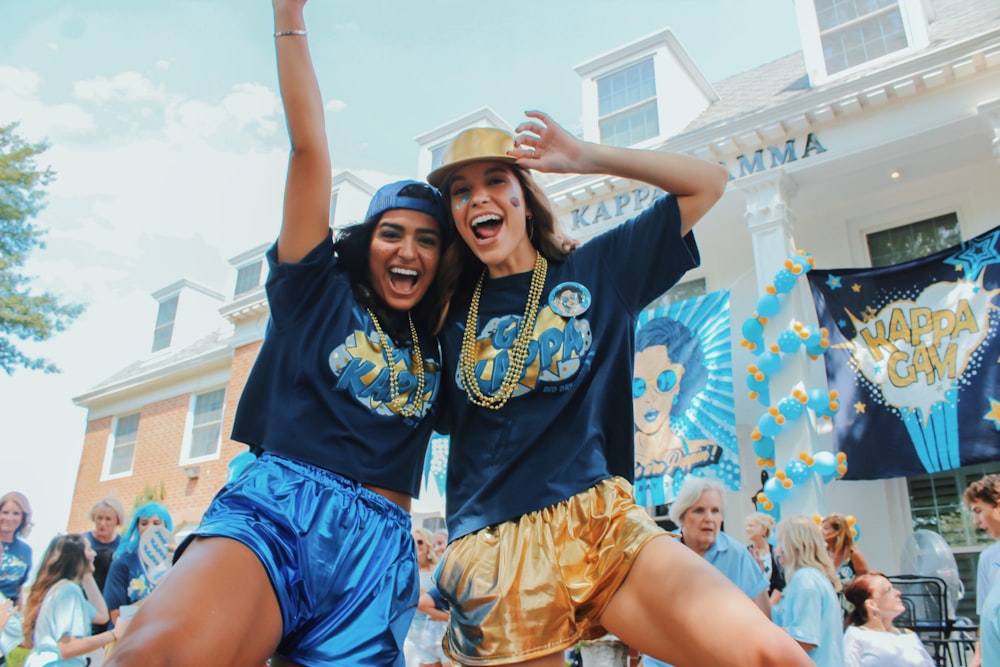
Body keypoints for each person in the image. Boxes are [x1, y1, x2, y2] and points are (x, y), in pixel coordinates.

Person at [105, 2, 448, 665]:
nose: (408, 249)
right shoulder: (315, 290)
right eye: (392, 232)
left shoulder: (442, 343)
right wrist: (289, 18)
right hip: (282, 512)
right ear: (366, 243)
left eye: (427, 239)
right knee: (159, 653)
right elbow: (309, 148)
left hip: (377, 555)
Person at [428, 117, 810, 666]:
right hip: (494, 550)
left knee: (773, 657)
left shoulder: (597, 268)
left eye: (495, 181)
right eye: (460, 192)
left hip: (597, 523)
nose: (478, 198)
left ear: (524, 198)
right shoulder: (444, 314)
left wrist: (583, 156)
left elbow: (707, 182)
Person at [643, 477, 770, 667]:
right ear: (682, 515)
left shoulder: (737, 555)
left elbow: (764, 618)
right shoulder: (662, 553)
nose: (709, 518)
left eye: (715, 511)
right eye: (699, 510)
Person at [633, 317, 719, 506]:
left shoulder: (706, 451)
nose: (650, 397)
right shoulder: (611, 469)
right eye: (638, 386)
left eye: (664, 381)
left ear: (679, 384)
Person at [22, 534, 127, 667]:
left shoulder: (62, 589)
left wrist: (86, 573)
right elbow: (67, 647)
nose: (94, 554)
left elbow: (101, 616)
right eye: (89, 550)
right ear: (77, 557)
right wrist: (114, 634)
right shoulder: (69, 592)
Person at [773, 516, 844, 667]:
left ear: (791, 545)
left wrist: (762, 631)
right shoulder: (812, 578)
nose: (777, 550)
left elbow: (806, 638)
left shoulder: (805, 579)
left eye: (780, 542)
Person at [102, 503, 174, 625]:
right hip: (131, 638)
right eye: (144, 523)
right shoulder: (122, 564)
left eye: (156, 523)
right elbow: (116, 617)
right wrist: (155, 596)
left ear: (166, 528)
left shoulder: (178, 562)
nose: (150, 528)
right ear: (137, 527)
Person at [842, 572, 934, 667]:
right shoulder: (857, 636)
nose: (898, 593)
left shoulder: (909, 635)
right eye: (888, 590)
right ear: (871, 604)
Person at [963, 473, 1000, 667]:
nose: (976, 521)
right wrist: (977, 658)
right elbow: (985, 618)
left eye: (978, 511)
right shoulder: (987, 558)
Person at [83, 497, 125, 634]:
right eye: (99, 518)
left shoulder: (123, 546)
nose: (102, 523)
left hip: (111, 603)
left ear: (117, 521)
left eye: (108, 519)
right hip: (86, 602)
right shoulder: (83, 542)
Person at [404, 528, 438, 667]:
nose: (416, 546)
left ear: (428, 545)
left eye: (420, 542)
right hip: (410, 631)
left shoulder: (437, 571)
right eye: (413, 542)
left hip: (435, 631)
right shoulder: (406, 569)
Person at [0, 492, 33, 607]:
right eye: (5, 512)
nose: (9, 518)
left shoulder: (25, 550)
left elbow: (19, 588)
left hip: (9, 612)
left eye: (15, 514)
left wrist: (19, 616)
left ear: (23, 518)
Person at [745, 511, 786, 604]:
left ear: (764, 529)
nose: (747, 529)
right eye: (746, 526)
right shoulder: (745, 553)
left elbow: (781, 583)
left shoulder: (777, 552)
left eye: (751, 526)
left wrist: (769, 608)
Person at [822, 512, 869, 588]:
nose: (822, 532)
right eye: (822, 528)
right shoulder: (822, 554)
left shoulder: (853, 553)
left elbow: (865, 580)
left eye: (826, 528)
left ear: (838, 531)